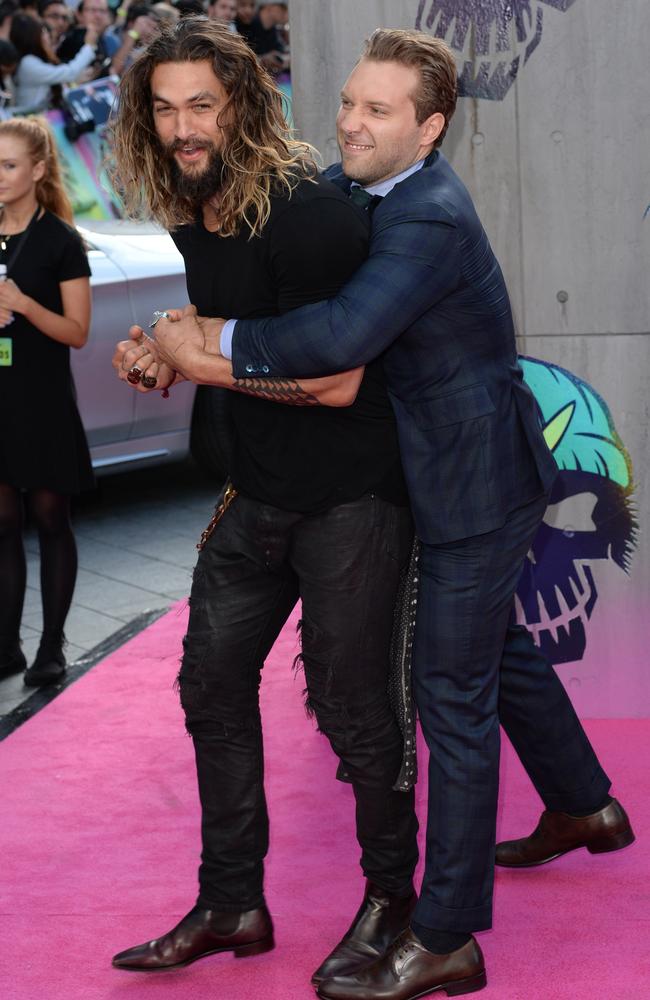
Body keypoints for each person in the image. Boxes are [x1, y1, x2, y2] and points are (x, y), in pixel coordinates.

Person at [136, 28, 634, 999]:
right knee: (498, 653)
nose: (350, 121)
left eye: (378, 110)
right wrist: (192, 333)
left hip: (468, 487)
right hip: (446, 466)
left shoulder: (427, 218)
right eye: (350, 101)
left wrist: (204, 346)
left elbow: (341, 337)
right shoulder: (365, 189)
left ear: (430, 127)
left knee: (448, 693)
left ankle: (442, 931)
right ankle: (585, 804)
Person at [108, 18, 420, 985]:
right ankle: (233, 900)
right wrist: (163, 347)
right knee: (210, 684)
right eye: (163, 110)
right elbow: (228, 321)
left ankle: (390, 908)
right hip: (260, 494)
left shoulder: (309, 212)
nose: (183, 128)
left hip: (350, 500)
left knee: (355, 713)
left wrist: (202, 361)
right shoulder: (194, 202)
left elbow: (337, 383)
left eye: (201, 104)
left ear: (243, 102)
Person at [0, 117, 93, 687]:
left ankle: (51, 647)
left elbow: (77, 331)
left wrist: (24, 305)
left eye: (8, 165)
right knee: (2, 521)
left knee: (49, 516)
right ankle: (6, 646)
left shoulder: (60, 240)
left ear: (37, 171)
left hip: (43, 401)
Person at [10, 12, 99, 111]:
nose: (47, 37)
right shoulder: (28, 63)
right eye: (42, 33)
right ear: (31, 37)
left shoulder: (36, 61)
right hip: (30, 120)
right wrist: (89, 45)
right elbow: (70, 73)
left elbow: (64, 80)